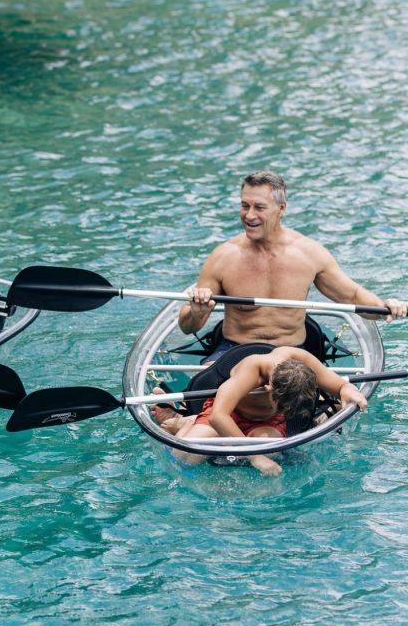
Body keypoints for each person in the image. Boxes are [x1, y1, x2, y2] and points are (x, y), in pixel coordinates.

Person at [179, 170, 407, 359]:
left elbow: (353, 296)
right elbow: (187, 327)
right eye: (244, 205)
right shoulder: (222, 257)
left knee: (317, 404)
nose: (249, 215)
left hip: (292, 352)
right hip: (234, 349)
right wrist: (197, 313)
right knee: (204, 394)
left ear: (281, 209)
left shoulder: (309, 253)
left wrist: (385, 307)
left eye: (259, 207)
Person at [154, 345, 368, 476]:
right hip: (226, 414)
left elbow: (339, 385)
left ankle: (247, 444)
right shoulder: (251, 369)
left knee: (271, 451)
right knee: (185, 457)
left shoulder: (301, 361)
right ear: (269, 388)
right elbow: (220, 416)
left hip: (267, 421)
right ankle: (187, 423)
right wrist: (253, 456)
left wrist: (348, 391)